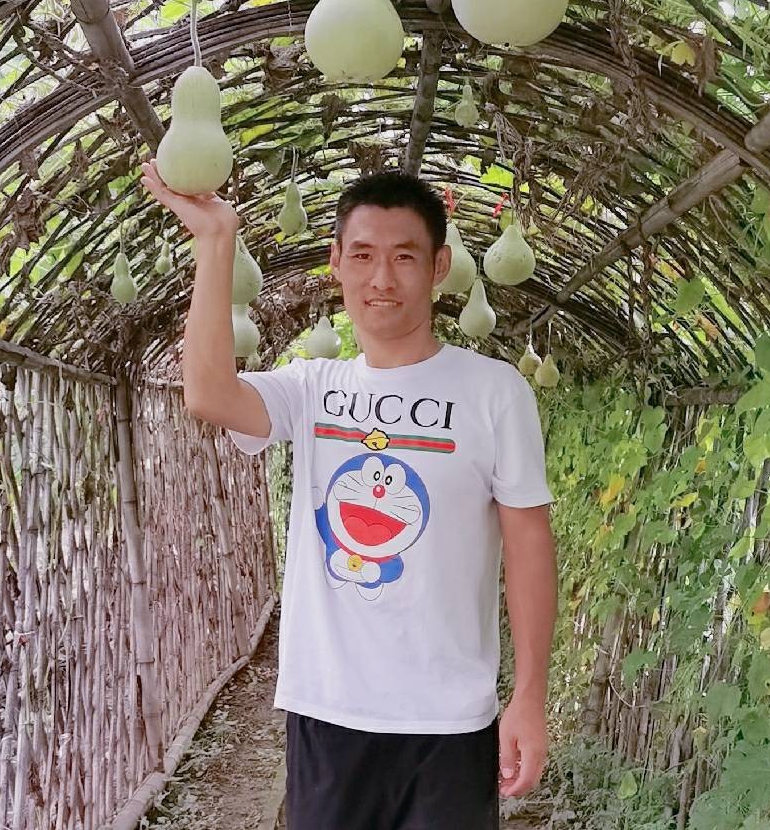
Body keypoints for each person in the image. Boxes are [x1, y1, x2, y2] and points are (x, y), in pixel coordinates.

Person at [142, 160, 558, 830]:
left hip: (450, 718)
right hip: (329, 712)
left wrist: (530, 696)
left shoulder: (494, 391)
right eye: (362, 255)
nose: (381, 278)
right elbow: (209, 393)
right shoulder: (312, 387)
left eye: (404, 257)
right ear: (336, 262)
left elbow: (529, 544)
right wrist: (216, 240)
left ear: (439, 266)